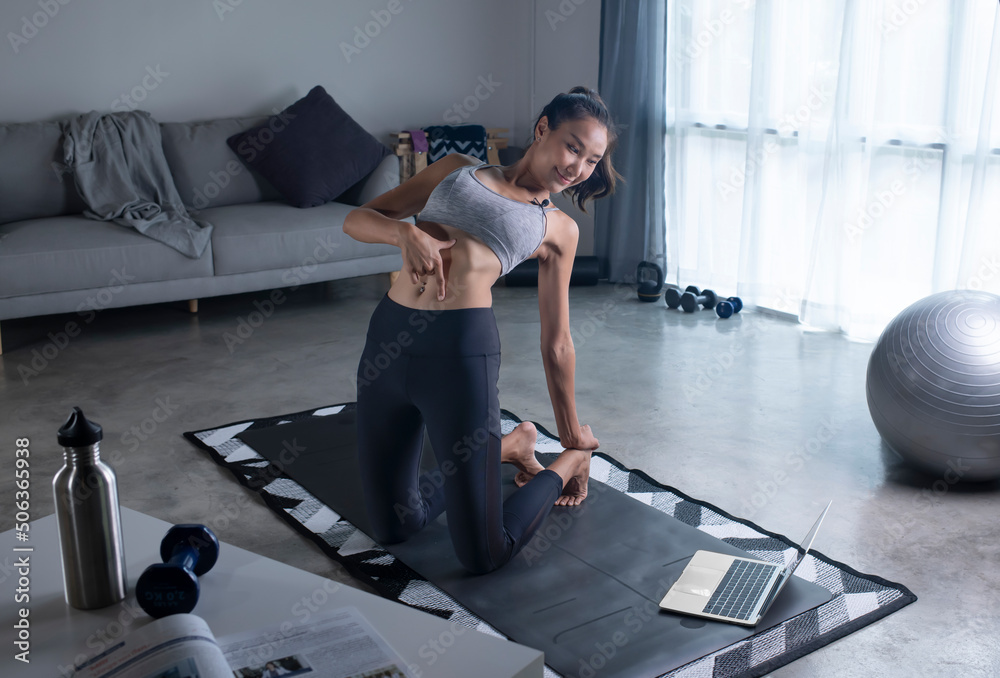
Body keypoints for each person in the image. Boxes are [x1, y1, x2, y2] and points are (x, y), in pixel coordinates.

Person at [344, 86, 620, 574]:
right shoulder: (455, 169)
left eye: (592, 160)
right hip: (387, 340)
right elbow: (357, 219)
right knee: (394, 527)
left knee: (484, 554)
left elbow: (557, 341)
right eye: (573, 146)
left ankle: (561, 465)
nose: (578, 167)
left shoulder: (558, 229)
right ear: (542, 129)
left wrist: (574, 439)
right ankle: (510, 447)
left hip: (459, 355)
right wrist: (403, 231)